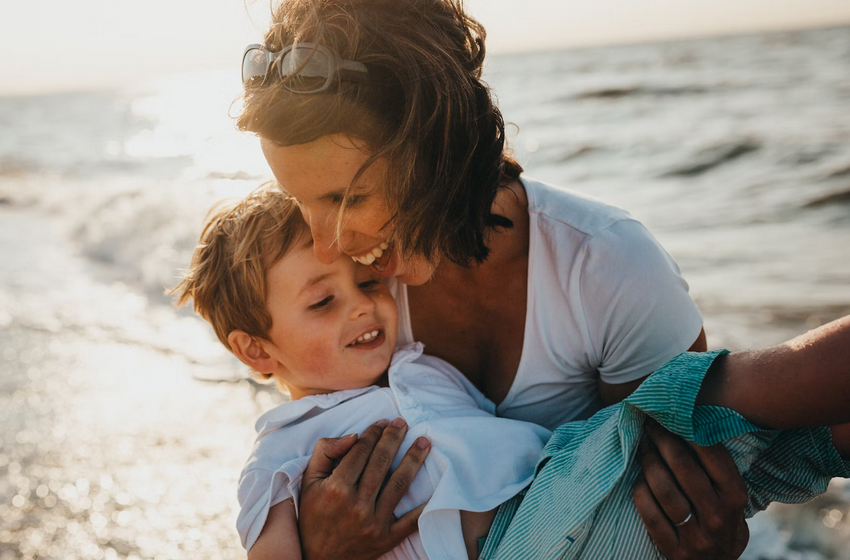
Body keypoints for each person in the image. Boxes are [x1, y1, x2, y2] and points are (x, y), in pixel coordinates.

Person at [236, 1, 750, 558]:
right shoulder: (352, 298)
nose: (328, 245)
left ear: (437, 147)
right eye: (300, 201)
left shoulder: (607, 268)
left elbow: (674, 492)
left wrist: (713, 545)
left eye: (347, 199)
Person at [171, 185, 850, 560]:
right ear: (257, 352)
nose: (363, 306)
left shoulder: (417, 366)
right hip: (517, 542)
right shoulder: (284, 450)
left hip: (563, 508)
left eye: (364, 280)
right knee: (674, 410)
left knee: (768, 454)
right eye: (323, 302)